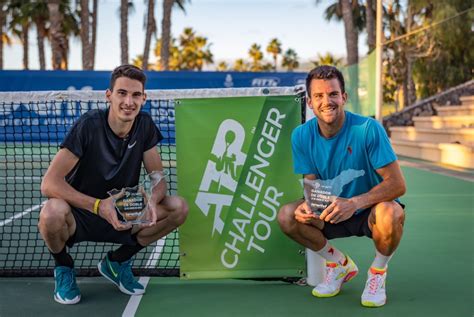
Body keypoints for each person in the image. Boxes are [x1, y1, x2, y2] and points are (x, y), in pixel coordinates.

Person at [38, 64, 189, 305]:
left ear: (144, 98)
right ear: (109, 95)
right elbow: (49, 183)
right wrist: (99, 205)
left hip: (123, 209)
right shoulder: (88, 125)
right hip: (82, 212)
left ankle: (117, 262)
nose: (129, 101)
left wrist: (152, 200)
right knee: (51, 213)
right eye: (122, 93)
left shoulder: (145, 125)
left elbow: (157, 177)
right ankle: (64, 267)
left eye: (136, 95)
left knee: (178, 208)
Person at [277, 65, 406, 307]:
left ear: (344, 97)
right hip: (331, 209)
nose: (327, 101)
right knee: (287, 216)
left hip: (370, 210)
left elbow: (398, 184)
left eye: (333, 94)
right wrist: (309, 205)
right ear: (310, 102)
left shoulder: (369, 129)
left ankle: (377, 273)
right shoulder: (301, 135)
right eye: (319, 96)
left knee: (391, 213)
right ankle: (338, 265)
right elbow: (312, 183)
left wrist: (354, 202)